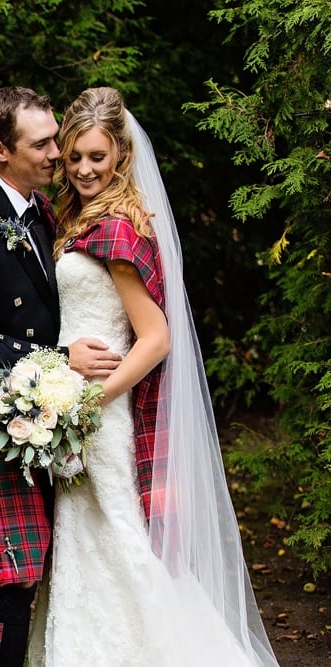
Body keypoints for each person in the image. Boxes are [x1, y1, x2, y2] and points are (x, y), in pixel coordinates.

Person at [27, 86, 281, 666]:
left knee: (118, 539)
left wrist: (89, 403)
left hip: (99, 412)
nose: (85, 168)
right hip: (77, 403)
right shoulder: (80, 216)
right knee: (88, 543)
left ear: (120, 152)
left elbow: (157, 337)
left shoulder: (117, 226)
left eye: (98, 156)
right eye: (74, 157)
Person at [0, 86, 122, 667]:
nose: (58, 152)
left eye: (56, 137)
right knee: (6, 581)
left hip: (37, 417)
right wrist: (62, 363)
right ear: (0, 150)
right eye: (43, 143)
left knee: (22, 575)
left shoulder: (40, 213)